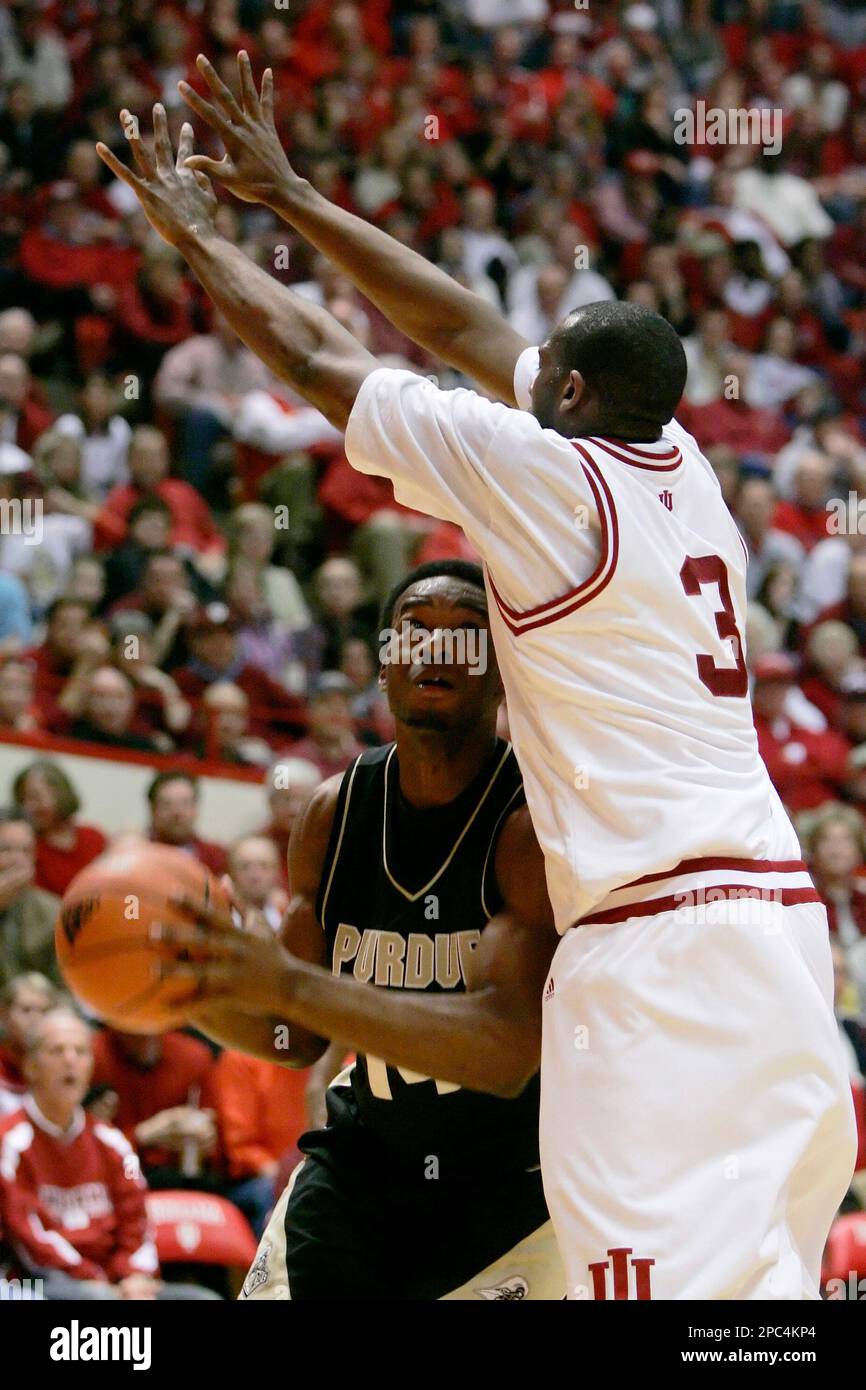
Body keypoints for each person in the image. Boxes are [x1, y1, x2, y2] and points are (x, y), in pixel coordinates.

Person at [98, 61, 855, 1300]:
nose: (517, 360)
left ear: (565, 394)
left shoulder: (547, 478)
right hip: (775, 931)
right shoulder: (685, 472)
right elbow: (460, 324)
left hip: (651, 939)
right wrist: (289, 194)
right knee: (755, 1303)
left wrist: (194, 234)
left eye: (540, 362)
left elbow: (308, 348)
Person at [156, 561, 564, 1300]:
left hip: (507, 1193)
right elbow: (296, 1037)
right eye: (415, 631)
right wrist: (188, 993)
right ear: (383, 665)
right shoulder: (329, 816)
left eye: (467, 635)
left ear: (504, 674)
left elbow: (505, 1052)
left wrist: (285, 983)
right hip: (359, 1172)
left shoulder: (527, 829)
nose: (436, 650)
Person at [0, 1009, 219, 1299]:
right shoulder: (10, 1142)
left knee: (203, 1299)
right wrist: (100, 1282)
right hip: (36, 1282)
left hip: (115, 1283)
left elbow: (137, 1218)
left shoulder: (112, 1142)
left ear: (91, 1066)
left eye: (80, 1051)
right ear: (30, 1067)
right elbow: (29, 1238)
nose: (70, 1061)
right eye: (57, 1050)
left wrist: (134, 1274)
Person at [12, 758, 107, 896]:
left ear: (61, 794)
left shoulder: (94, 837)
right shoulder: (27, 847)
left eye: (35, 797)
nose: (28, 807)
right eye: (22, 800)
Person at [0, 809, 61, 990]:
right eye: (5, 850)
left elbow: (63, 989)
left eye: (26, 851)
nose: (18, 861)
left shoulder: (52, 911)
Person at [146, 771, 227, 877]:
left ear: (196, 809)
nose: (177, 812)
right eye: (167, 804)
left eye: (185, 803)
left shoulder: (217, 857)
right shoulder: (137, 853)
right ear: (153, 810)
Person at [0, 972, 59, 1117]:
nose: (35, 1019)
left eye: (44, 1011)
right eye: (26, 1010)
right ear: (4, 1014)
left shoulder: (63, 1066)